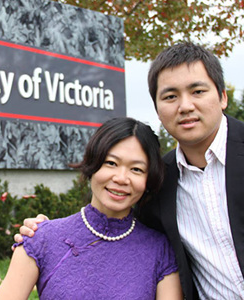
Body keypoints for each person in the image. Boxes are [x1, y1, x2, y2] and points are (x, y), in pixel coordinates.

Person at [16, 42, 244, 300]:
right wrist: (45, 235)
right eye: (170, 96)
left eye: (197, 91)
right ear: (158, 109)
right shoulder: (160, 184)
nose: (185, 106)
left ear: (223, 96)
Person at [0, 117, 183, 299]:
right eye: (111, 163)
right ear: (92, 165)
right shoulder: (39, 238)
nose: (121, 178)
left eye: (136, 169)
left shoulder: (160, 250)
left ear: (148, 180)